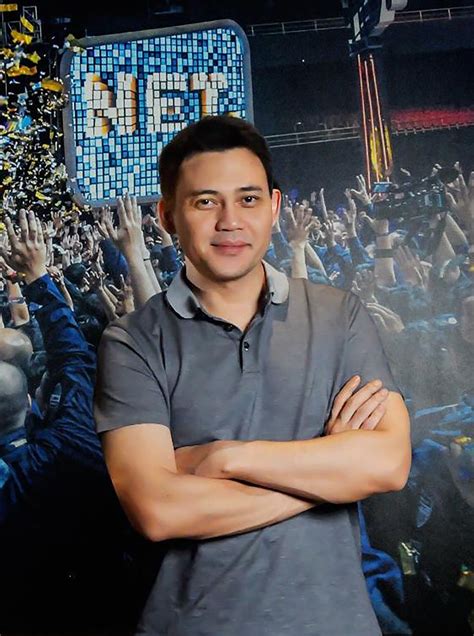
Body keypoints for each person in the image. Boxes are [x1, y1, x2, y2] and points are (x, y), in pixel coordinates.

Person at [93, 115, 411, 636]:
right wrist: (328, 477)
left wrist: (224, 457)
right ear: (167, 216)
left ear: (274, 208)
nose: (230, 221)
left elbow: (387, 464)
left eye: (248, 199)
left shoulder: (339, 315)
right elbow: (158, 510)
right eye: (205, 202)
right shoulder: (131, 341)